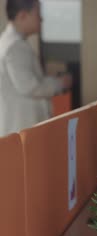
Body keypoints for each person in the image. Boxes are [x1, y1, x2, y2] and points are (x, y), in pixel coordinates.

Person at [0, 0, 72, 137]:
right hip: (21, 129)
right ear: (22, 15)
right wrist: (60, 83)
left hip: (19, 129)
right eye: (37, 14)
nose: (41, 19)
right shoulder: (15, 46)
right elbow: (30, 87)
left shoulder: (10, 42)